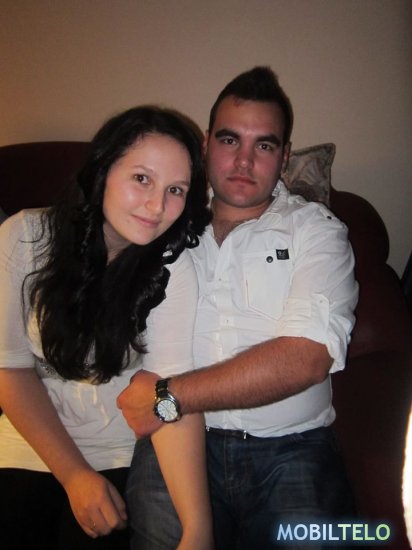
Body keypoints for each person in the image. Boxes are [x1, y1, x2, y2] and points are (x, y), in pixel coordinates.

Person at [118, 67, 359, 549]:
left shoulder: (317, 231)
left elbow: (306, 358)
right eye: (230, 140)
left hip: (293, 449)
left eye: (264, 145)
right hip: (181, 441)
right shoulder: (161, 224)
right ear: (206, 144)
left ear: (284, 156)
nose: (244, 161)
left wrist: (168, 397)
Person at [0, 106, 214, 550]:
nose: (157, 206)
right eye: (142, 178)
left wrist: (197, 529)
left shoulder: (173, 268)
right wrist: (74, 476)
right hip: (29, 442)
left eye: (176, 189)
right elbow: (10, 368)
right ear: (102, 172)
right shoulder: (24, 237)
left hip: (120, 452)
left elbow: (170, 398)